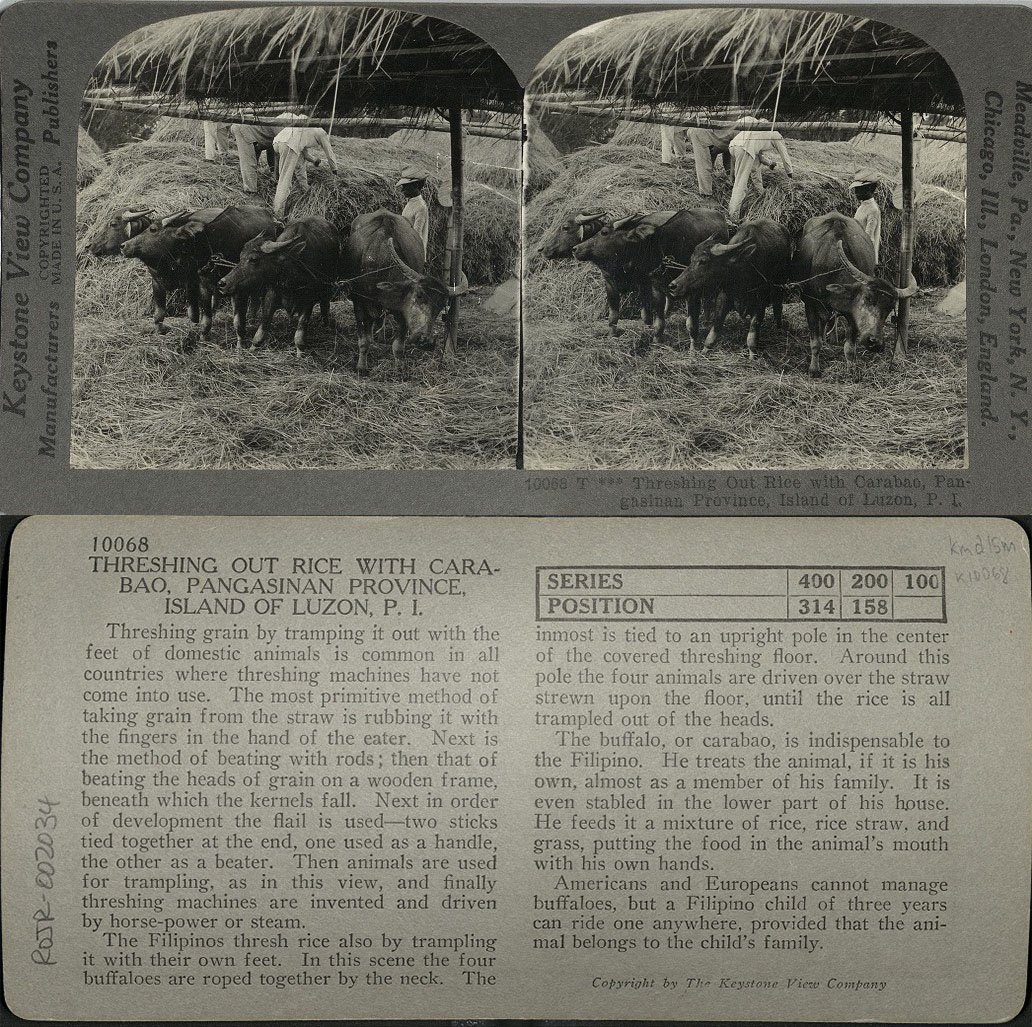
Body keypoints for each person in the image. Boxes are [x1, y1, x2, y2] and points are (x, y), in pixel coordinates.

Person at [727, 115, 794, 222]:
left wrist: (769, 163)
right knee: (741, 182)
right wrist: (790, 173)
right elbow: (784, 155)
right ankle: (733, 215)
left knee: (754, 166)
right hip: (745, 148)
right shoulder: (776, 135)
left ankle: (760, 191)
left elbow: (758, 157)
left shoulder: (760, 129)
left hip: (734, 145)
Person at [272, 112, 339, 217]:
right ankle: (278, 214)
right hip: (289, 144)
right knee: (285, 181)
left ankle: (305, 188)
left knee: (299, 164)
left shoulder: (307, 128)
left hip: (278, 141)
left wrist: (313, 160)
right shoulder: (321, 133)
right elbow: (329, 152)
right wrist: (334, 170)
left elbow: (303, 154)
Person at [230, 122, 278, 193]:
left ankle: (275, 177)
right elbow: (277, 153)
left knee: (260, 152)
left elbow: (274, 151)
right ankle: (250, 190)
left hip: (259, 131)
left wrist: (274, 174)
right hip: (244, 130)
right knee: (248, 160)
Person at [851, 166, 883, 263]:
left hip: (864, 256)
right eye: (856, 189)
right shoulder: (862, 206)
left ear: (869, 188)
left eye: (859, 189)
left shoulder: (873, 209)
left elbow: (868, 238)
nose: (856, 193)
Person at [396, 166, 430, 256]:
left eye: (406, 187)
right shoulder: (410, 202)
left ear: (415, 186)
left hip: (413, 253)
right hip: (406, 247)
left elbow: (416, 235)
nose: (402, 190)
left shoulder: (420, 207)